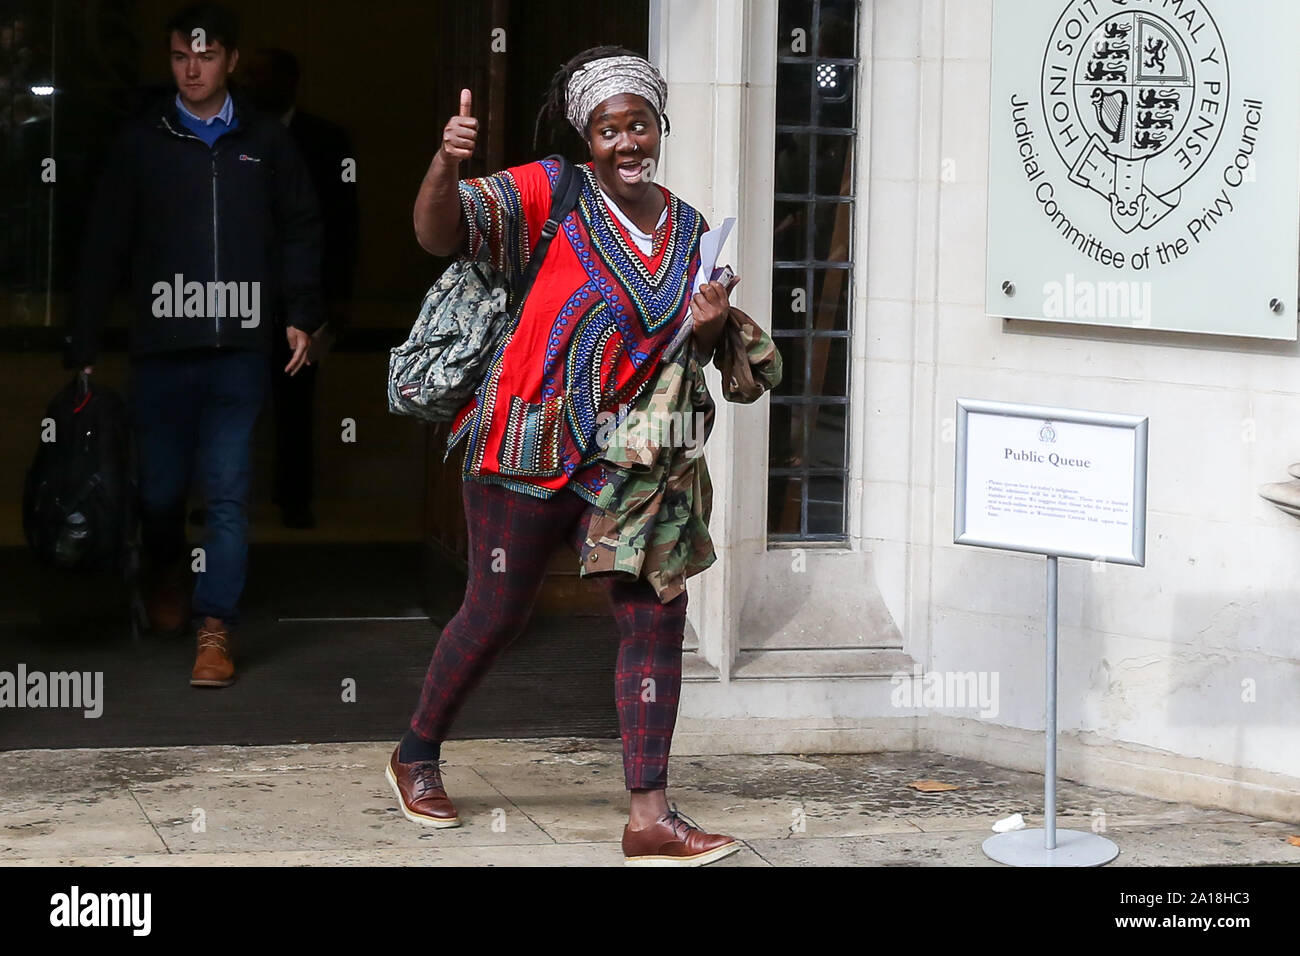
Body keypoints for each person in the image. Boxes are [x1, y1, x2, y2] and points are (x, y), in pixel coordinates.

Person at [388, 46, 741, 866]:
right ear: (589, 136)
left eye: (640, 124)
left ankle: (650, 813)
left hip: (628, 463)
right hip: (525, 444)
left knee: (656, 608)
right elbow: (437, 233)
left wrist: (716, 319)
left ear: (659, 128)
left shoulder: (691, 230)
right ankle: (415, 753)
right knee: (497, 610)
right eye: (609, 128)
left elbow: (691, 347)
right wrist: (447, 162)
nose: (627, 142)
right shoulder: (550, 189)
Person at [63, 2, 323, 687]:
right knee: (160, 492)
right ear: (170, 58)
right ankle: (167, 569)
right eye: (181, 57)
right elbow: (104, 241)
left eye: (205, 57)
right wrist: (84, 334)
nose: (193, 69)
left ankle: (216, 628)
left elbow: (300, 225)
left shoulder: (265, 141)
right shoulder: (141, 142)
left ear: (231, 59)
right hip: (162, 348)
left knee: (230, 491)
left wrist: (300, 311)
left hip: (239, 347)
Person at [242, 47, 360, 529]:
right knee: (235, 399)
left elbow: (342, 224)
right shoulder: (235, 135)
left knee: (296, 399)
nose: (253, 86)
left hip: (302, 290)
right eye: (250, 76)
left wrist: (336, 296)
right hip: (241, 290)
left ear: (291, 81)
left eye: (263, 77)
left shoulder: (326, 140)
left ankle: (294, 498)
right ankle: (229, 497)